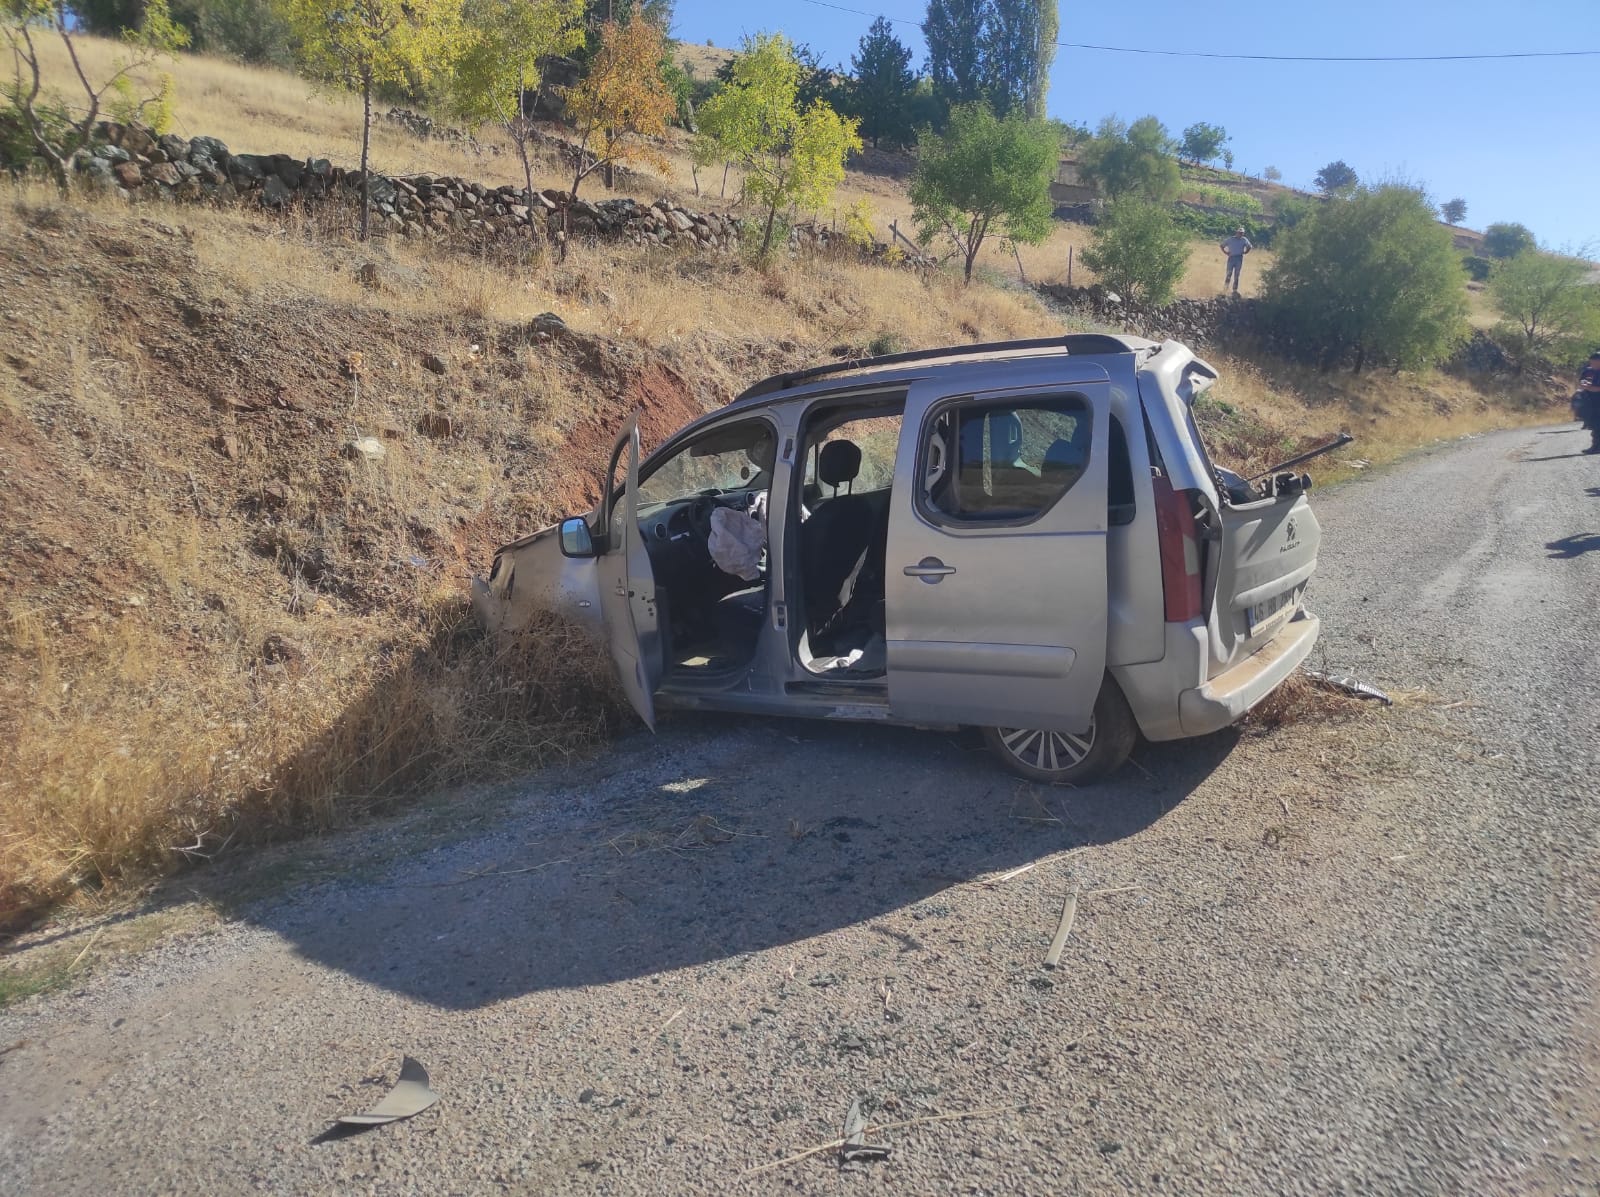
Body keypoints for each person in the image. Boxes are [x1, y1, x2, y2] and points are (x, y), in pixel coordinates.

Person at [1578, 348, 1600, 455]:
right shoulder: (1593, 371)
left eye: (1593, 362)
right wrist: (1585, 384)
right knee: (1596, 426)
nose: (1591, 364)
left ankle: (1597, 447)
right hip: (1594, 403)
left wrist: (1588, 387)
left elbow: (1598, 388)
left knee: (1597, 426)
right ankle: (1595, 446)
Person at [1219, 226, 1253, 295]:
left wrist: (1246, 252)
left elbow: (1249, 246)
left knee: (1236, 275)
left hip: (1239, 258)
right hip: (1231, 258)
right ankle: (1225, 289)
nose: (1240, 234)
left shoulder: (1244, 239)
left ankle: (1234, 290)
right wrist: (1226, 252)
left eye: (1242, 233)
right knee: (1229, 274)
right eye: (1239, 233)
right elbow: (1222, 245)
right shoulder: (1231, 239)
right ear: (1236, 232)